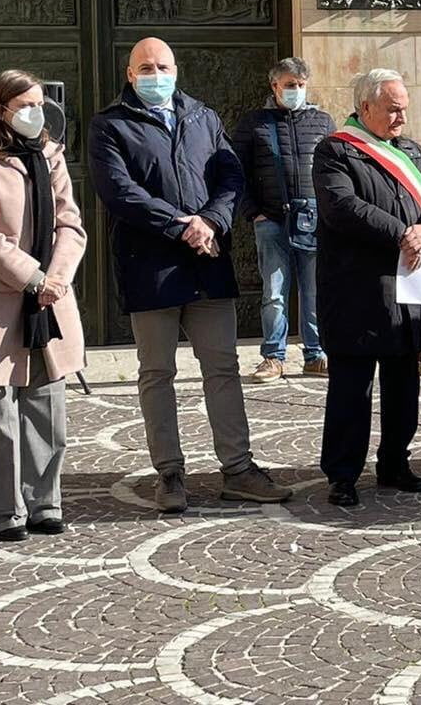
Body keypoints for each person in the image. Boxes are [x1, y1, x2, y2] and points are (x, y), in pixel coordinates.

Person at [88, 37, 290, 512]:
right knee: (157, 372)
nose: (156, 74)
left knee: (222, 367)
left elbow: (231, 176)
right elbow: (118, 191)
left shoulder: (203, 116)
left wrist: (212, 221)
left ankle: (238, 468)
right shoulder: (109, 125)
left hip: (208, 260)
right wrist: (181, 226)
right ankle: (170, 474)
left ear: (176, 70)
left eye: (163, 66)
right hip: (150, 265)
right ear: (130, 73)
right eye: (146, 67)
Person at [0, 71, 86, 541]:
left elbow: (70, 222)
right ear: (0, 109)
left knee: (49, 410)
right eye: (24, 104)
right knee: (0, 414)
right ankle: (5, 512)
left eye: (40, 103)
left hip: (49, 300)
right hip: (0, 304)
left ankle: (46, 503)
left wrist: (57, 278)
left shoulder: (51, 156)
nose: (35, 113)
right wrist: (33, 277)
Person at [314, 69, 421, 505]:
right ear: (366, 106)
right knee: (352, 389)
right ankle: (343, 474)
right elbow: (343, 207)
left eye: (404, 109)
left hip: (408, 289)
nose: (400, 118)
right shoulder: (335, 150)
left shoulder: (410, 150)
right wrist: (401, 232)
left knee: (403, 385)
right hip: (357, 288)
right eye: (392, 109)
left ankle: (395, 463)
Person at [232, 57, 335, 382]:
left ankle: (315, 354)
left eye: (301, 85)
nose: (296, 91)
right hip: (271, 220)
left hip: (314, 220)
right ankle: (273, 357)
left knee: (314, 291)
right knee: (274, 293)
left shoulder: (322, 121)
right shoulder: (254, 124)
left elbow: (334, 170)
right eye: (290, 85)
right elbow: (237, 172)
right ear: (275, 85)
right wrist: (253, 212)